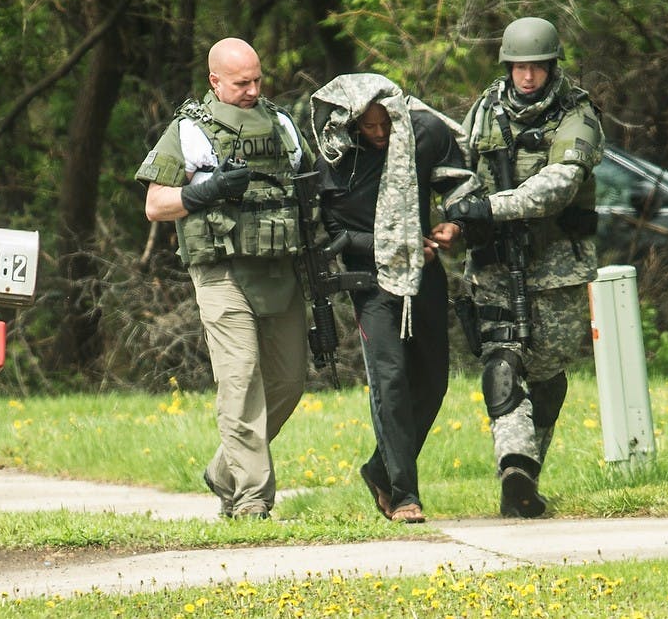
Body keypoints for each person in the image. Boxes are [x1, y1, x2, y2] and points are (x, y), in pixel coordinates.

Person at [134, 37, 314, 519]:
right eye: (241, 83)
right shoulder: (190, 131)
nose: (253, 89)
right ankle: (252, 501)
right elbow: (155, 205)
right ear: (215, 81)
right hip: (221, 271)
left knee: (288, 382)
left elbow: (305, 187)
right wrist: (208, 190)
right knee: (240, 382)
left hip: (279, 269)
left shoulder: (281, 124)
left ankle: (224, 468)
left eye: (258, 79)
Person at [446, 17, 604, 518]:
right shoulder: (485, 111)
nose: (527, 77)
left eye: (536, 66)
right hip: (493, 262)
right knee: (501, 360)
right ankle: (513, 466)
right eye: (519, 67)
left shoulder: (577, 115)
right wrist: (458, 214)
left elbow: (560, 184)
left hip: (556, 267)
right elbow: (457, 168)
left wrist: (494, 207)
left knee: (547, 374)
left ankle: (528, 474)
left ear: (552, 66)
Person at [309, 73, 477, 523]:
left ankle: (379, 471)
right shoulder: (336, 157)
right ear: (351, 124)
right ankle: (405, 496)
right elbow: (335, 233)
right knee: (390, 381)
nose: (380, 134)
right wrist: (392, 245)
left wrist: (455, 224)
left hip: (424, 273)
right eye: (369, 127)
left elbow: (461, 185)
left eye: (386, 125)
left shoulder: (422, 131)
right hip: (370, 281)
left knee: (433, 381)